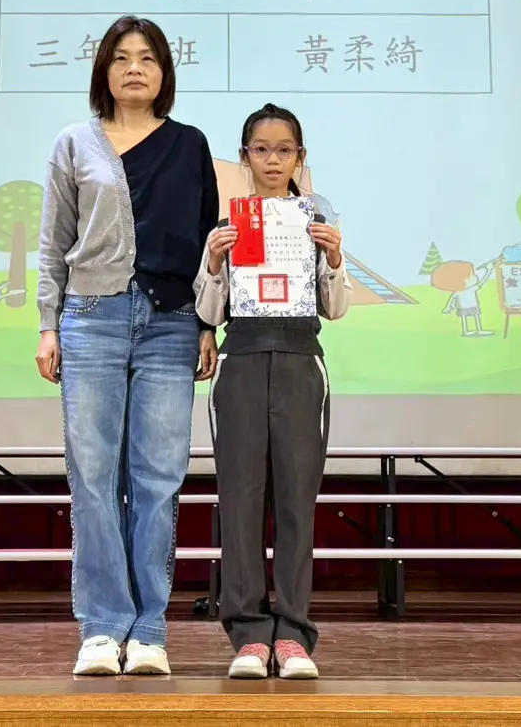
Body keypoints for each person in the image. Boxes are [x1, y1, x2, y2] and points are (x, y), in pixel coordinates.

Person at [35, 15, 219, 678]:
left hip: (173, 322)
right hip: (92, 318)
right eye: (120, 57)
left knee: (158, 479)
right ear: (103, 71)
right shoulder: (73, 142)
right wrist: (47, 323)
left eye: (147, 57)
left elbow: (208, 241)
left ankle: (148, 632)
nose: (134, 67)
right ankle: (101, 626)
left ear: (164, 71)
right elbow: (53, 239)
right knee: (91, 476)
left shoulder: (189, 144)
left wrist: (208, 323)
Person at [194, 103, 351, 681]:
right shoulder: (228, 226)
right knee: (239, 501)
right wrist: (215, 262)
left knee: (295, 502)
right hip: (240, 361)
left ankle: (293, 635)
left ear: (299, 158)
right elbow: (209, 310)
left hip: (301, 363)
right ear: (245, 158)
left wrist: (333, 257)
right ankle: (249, 636)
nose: (272, 160)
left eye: (284, 150)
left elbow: (335, 309)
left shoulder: (316, 223)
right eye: (261, 150)